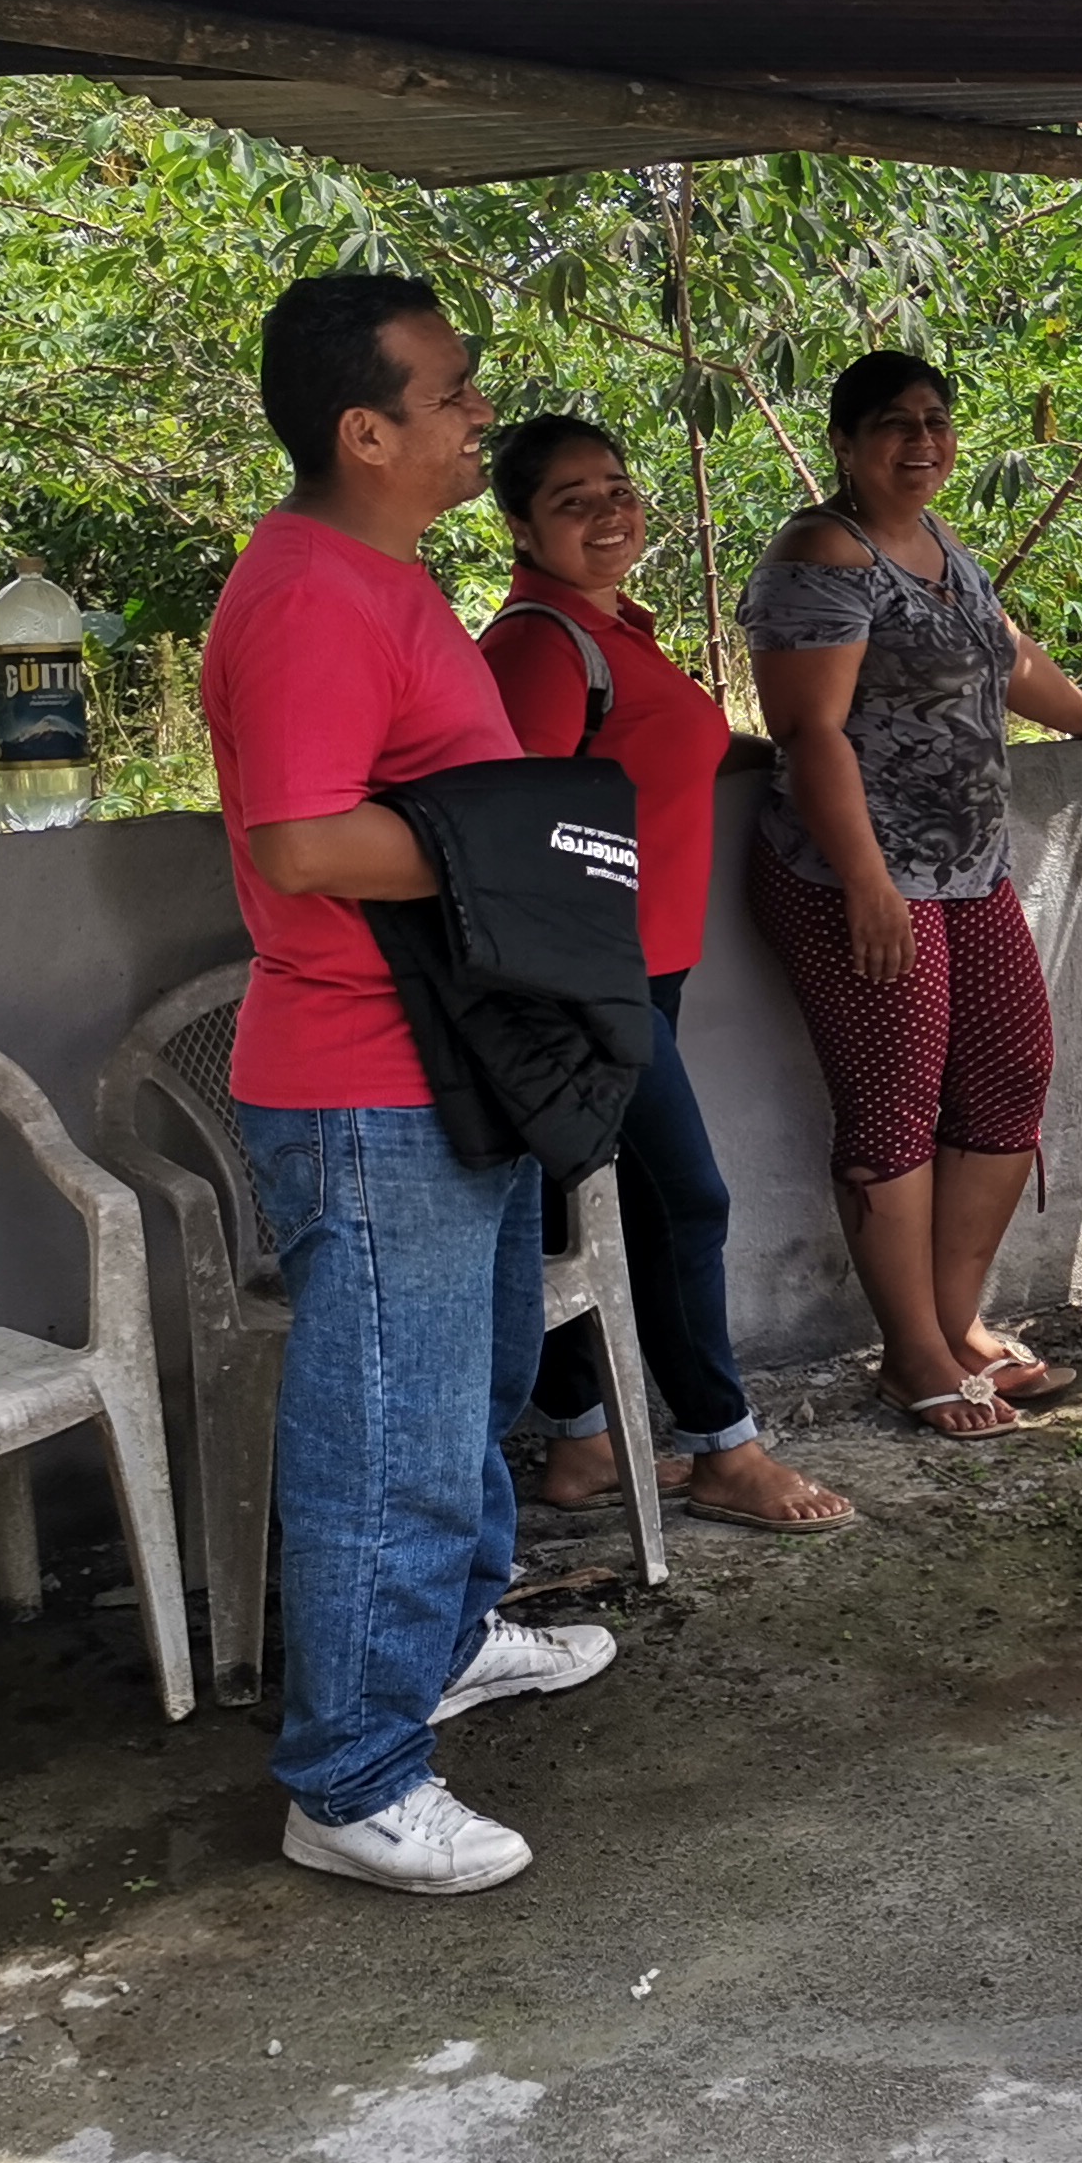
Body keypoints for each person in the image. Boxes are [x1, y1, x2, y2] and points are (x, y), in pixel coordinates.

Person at [198, 275, 615, 1899]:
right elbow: (304, 842)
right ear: (364, 432)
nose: (476, 416)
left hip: (444, 1065)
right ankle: (353, 1781)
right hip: (365, 1083)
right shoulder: (311, 596)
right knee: (391, 1437)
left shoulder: (383, 576)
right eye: (450, 394)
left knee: (469, 1390)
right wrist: (514, 854)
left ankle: (439, 1645)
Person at [742, 349, 1082, 1436]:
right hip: (851, 873)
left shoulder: (937, 543)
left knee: (1011, 1075)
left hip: (968, 868)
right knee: (892, 1104)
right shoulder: (821, 554)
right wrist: (869, 884)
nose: (920, 441)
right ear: (844, 443)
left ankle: (955, 1320)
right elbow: (808, 731)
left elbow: (1007, 658)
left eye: (936, 420)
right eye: (893, 423)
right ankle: (912, 1353)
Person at [482, 417, 853, 1537]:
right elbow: (515, 823)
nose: (608, 512)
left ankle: (584, 1439)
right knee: (684, 1199)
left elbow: (653, 753)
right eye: (572, 500)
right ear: (519, 527)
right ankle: (723, 1448)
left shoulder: (611, 632)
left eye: (618, 488)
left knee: (581, 1203)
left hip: (640, 970)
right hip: (591, 988)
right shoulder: (540, 647)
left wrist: (771, 752)